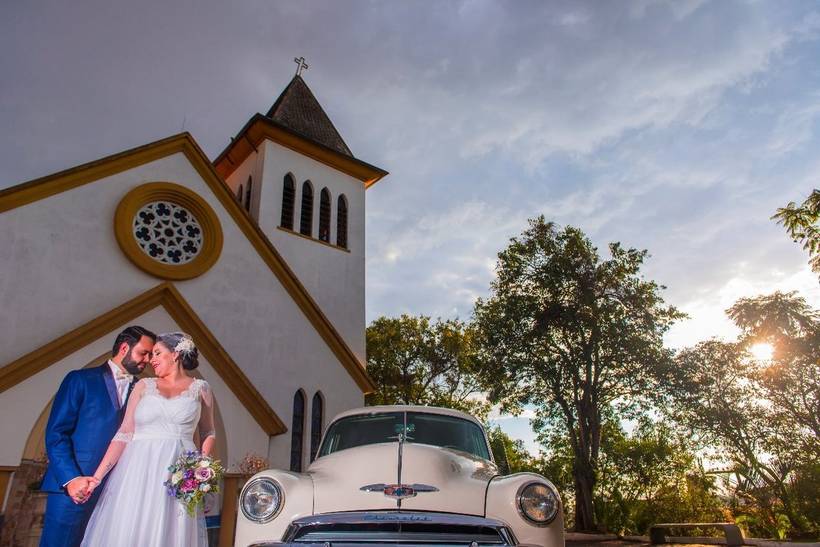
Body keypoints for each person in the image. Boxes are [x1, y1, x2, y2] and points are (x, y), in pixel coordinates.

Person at [80, 331, 216, 547]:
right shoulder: (143, 386)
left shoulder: (201, 389)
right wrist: (96, 478)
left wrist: (201, 470)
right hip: (138, 470)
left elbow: (209, 432)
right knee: (129, 525)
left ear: (176, 354)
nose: (151, 360)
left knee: (170, 530)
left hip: (178, 472)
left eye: (157, 353)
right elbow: (124, 433)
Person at [40, 325, 156, 547]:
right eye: (144, 353)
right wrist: (72, 479)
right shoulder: (80, 380)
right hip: (74, 488)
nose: (148, 360)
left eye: (151, 355)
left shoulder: (144, 392)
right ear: (124, 347)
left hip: (117, 491)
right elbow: (56, 434)